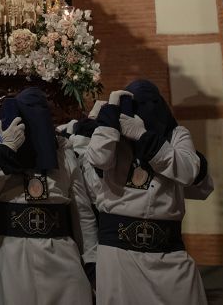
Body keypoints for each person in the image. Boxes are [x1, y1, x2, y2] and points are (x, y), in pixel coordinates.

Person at [86, 80, 211, 305]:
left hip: (168, 253)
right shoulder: (113, 136)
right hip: (119, 255)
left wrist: (145, 138)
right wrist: (107, 123)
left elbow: (189, 171)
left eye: (151, 103)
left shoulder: (176, 134)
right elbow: (99, 159)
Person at [0, 87, 96, 305]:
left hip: (60, 252)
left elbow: (82, 211)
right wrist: (8, 151)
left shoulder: (63, 150)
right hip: (11, 255)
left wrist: (91, 258)